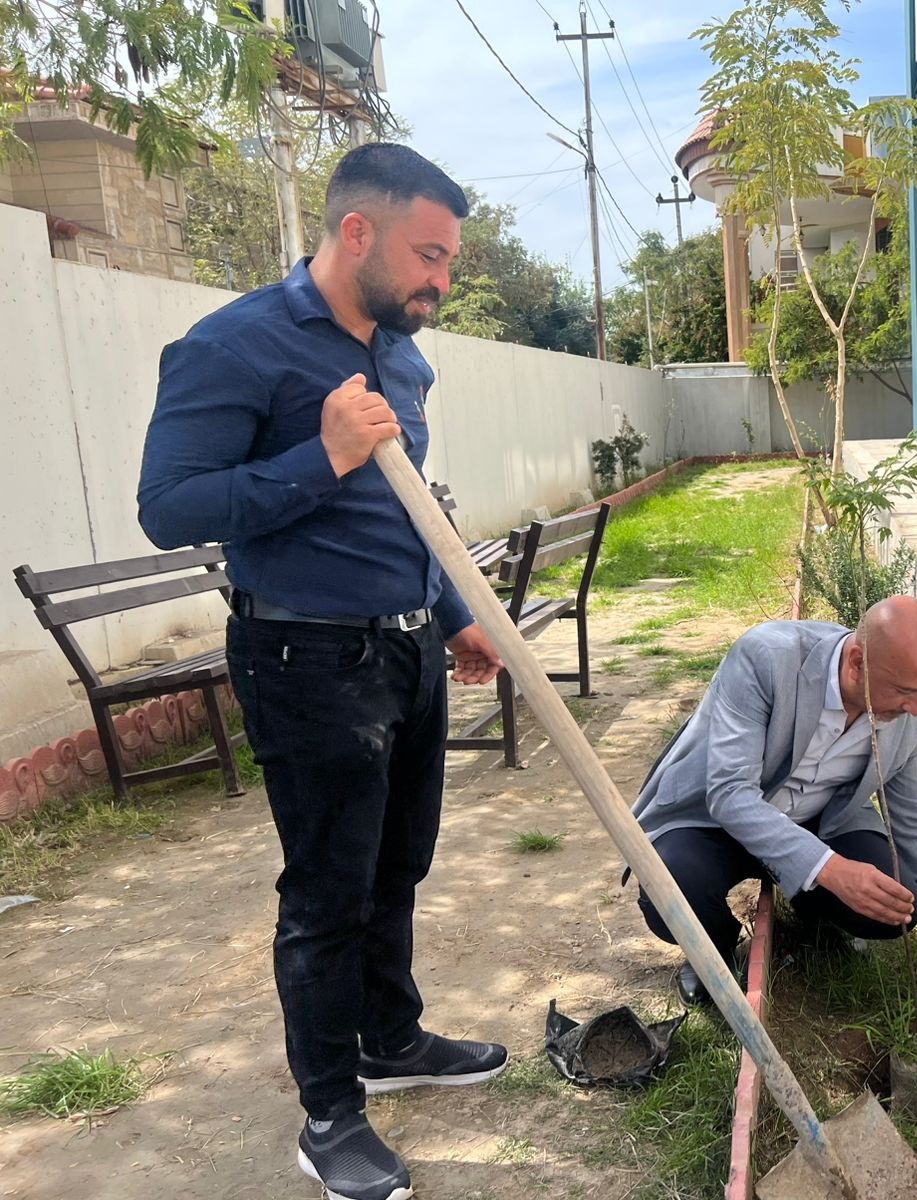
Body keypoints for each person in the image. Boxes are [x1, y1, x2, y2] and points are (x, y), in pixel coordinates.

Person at [138, 143, 506, 1200]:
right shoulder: (232, 347)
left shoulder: (404, 356)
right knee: (327, 893)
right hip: (304, 656)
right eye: (428, 254)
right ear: (357, 232)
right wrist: (321, 455)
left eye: (449, 259)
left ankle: (392, 1040)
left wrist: (450, 614)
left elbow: (403, 503)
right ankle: (329, 1112)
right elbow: (169, 508)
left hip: (406, 647)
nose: (441, 279)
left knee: (400, 866)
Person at [632, 595, 917, 1005]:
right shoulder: (766, 658)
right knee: (671, 884)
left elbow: (910, 817)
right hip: (712, 822)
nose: (916, 709)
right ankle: (713, 951)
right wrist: (833, 870)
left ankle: (817, 910)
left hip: (817, 821)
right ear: (857, 662)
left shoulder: (910, 699)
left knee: (897, 902)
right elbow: (730, 794)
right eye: (904, 691)